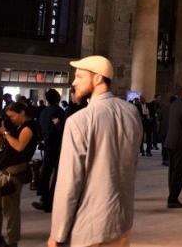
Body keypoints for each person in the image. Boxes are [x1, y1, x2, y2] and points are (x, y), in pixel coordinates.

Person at [48, 55, 142, 247]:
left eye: (80, 76)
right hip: (122, 221)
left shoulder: (79, 120)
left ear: (98, 78)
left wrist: (58, 233)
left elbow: (69, 182)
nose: (74, 82)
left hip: (89, 227)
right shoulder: (131, 112)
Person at [0, 101, 38, 247]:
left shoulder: (30, 126)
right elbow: (1, 146)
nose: (11, 119)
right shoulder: (14, 126)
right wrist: (0, 131)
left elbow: (20, 146)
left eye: (12, 116)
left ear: (22, 112)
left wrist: (6, 132)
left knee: (10, 210)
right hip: (1, 170)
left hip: (13, 174)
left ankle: (12, 241)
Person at [33, 88, 66, 213]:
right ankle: (50, 200)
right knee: (56, 173)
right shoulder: (58, 111)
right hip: (57, 145)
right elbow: (60, 129)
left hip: (47, 144)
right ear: (58, 98)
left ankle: (43, 197)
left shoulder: (43, 111)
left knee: (45, 171)